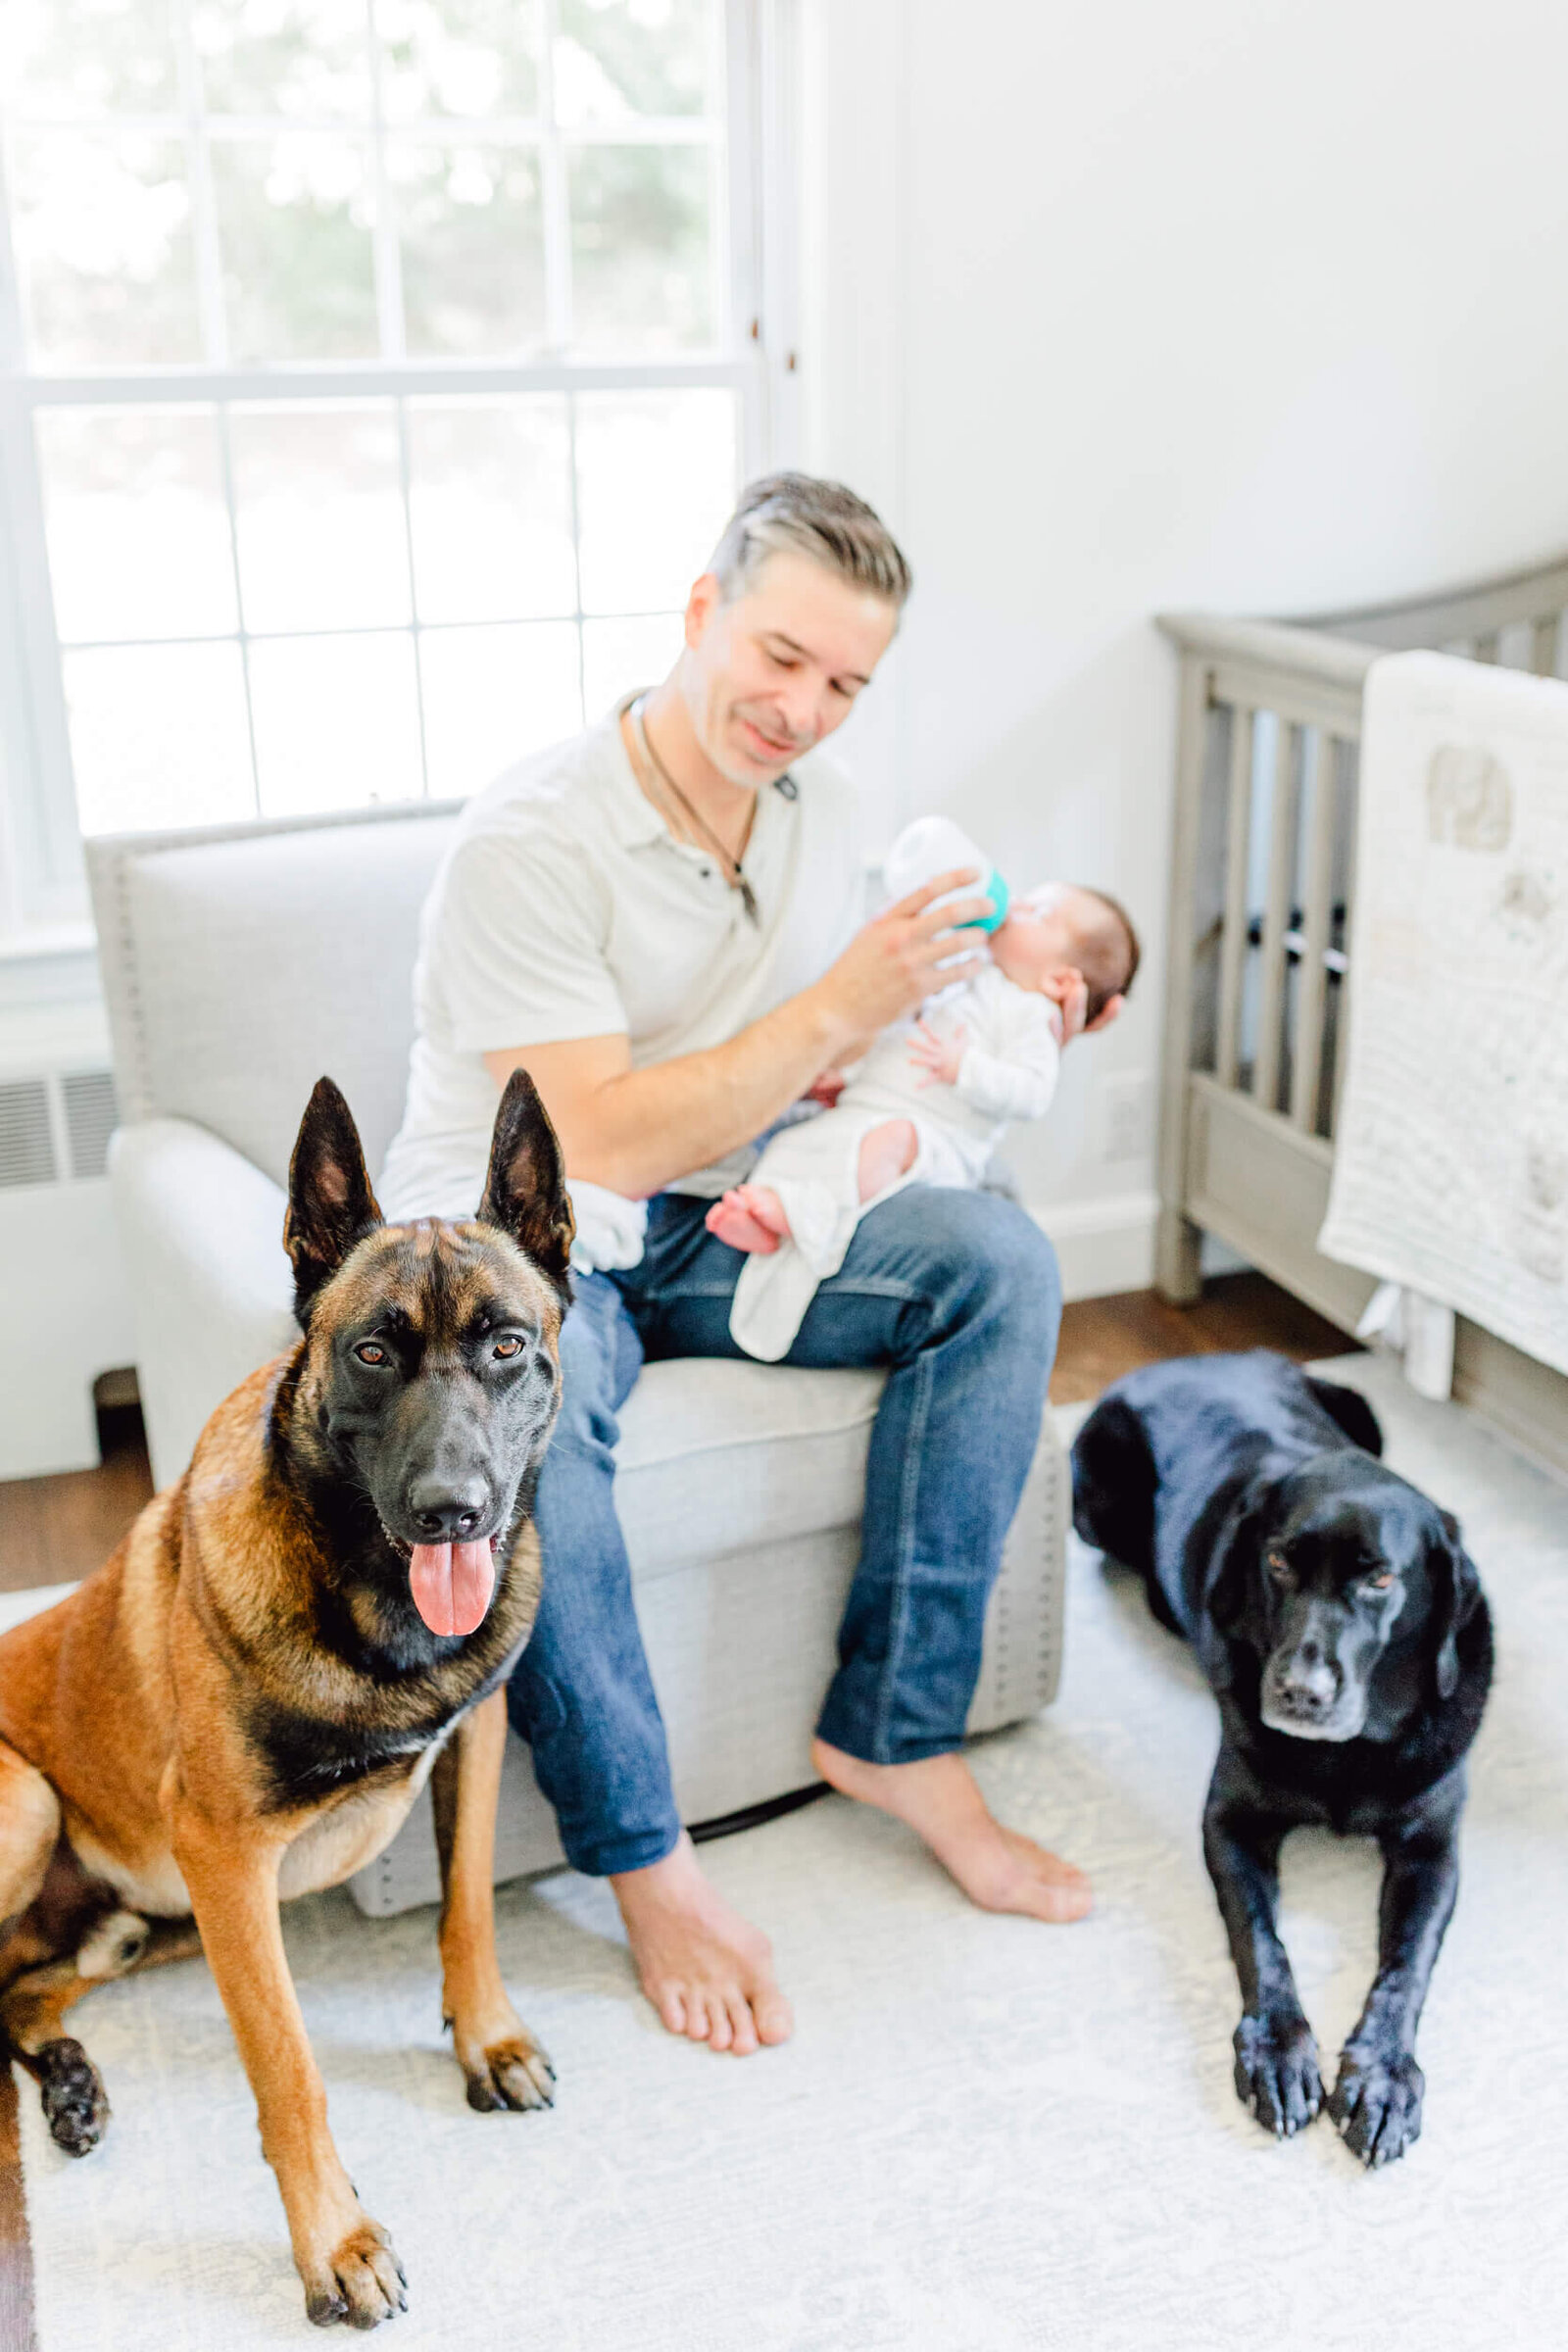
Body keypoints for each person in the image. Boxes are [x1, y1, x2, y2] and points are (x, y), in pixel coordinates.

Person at [378, 473, 1124, 2059]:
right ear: (701, 611)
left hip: (727, 1215)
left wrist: (1029, 997)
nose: (805, 711)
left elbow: (907, 1012)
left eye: (847, 684)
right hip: (531, 1232)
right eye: (781, 657)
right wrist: (844, 1011)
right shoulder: (533, 837)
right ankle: (645, 1863)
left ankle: (896, 1734)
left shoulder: (834, 819)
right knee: (536, 1424)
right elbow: (593, 1141)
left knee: (997, 1262)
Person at [708, 880, 1140, 1360]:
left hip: (935, 1138)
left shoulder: (1030, 1015)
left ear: (1061, 980)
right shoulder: (969, 977)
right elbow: (899, 1037)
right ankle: (769, 1220)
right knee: (800, 1143)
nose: (1015, 905)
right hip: (869, 1107)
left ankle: (805, 1215)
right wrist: (847, 1077)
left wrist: (965, 1068)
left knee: (889, 1142)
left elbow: (1032, 1095)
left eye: (1038, 912)